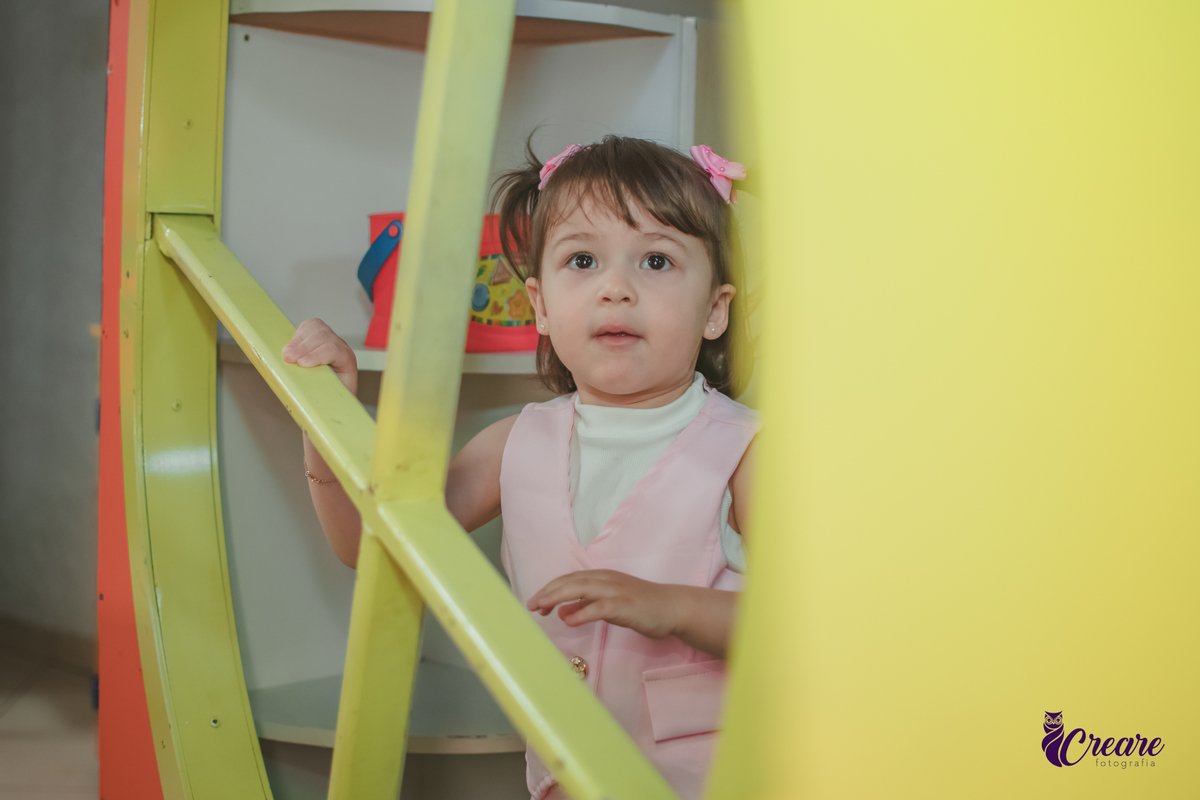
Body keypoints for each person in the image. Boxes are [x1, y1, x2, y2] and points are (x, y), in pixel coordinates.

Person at [283, 136, 756, 800]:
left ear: (714, 310)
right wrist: (326, 419)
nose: (615, 288)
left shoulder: (745, 450)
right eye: (583, 260)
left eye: (656, 260)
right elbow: (372, 543)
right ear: (540, 305)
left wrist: (672, 606)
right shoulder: (515, 442)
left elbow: (810, 628)